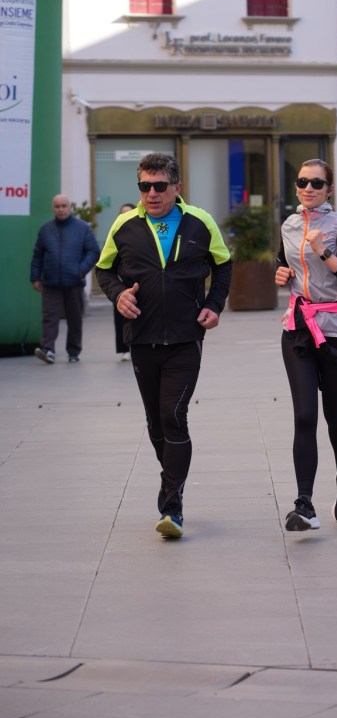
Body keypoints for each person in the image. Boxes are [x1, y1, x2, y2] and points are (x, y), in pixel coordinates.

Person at [95, 153, 232, 539]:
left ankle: (172, 506)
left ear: (177, 187)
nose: (151, 194)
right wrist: (118, 294)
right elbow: (104, 270)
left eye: (159, 186)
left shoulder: (200, 221)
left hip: (187, 338)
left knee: (173, 415)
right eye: (144, 186)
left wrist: (214, 304)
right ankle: (171, 478)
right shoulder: (124, 225)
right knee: (156, 423)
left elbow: (223, 265)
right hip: (142, 337)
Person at [275, 158, 337, 532]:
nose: (309, 188)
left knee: (335, 415)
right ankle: (304, 504)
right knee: (304, 416)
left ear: (329, 189)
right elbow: (284, 263)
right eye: (303, 182)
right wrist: (281, 273)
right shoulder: (289, 225)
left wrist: (325, 253)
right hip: (298, 329)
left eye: (317, 183)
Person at [30, 194, 100, 364]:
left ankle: (73, 352)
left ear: (70, 207)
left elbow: (93, 251)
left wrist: (81, 270)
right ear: (53, 208)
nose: (61, 209)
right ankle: (48, 349)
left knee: (75, 319)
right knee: (49, 317)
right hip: (50, 282)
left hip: (74, 282)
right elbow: (38, 255)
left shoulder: (82, 228)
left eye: (64, 206)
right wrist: (35, 277)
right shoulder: (46, 230)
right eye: (57, 206)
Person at [112, 204, 136, 360]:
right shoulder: (115, 235)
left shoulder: (144, 234)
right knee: (121, 316)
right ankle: (124, 348)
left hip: (142, 284)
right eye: (122, 214)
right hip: (122, 286)